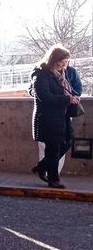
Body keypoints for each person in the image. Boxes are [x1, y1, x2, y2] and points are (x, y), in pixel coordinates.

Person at [30, 45, 81, 188]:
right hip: (48, 118)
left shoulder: (60, 75)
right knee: (53, 147)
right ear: (54, 60)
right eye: (62, 62)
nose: (65, 65)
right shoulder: (41, 74)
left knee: (67, 142)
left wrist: (71, 97)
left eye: (66, 62)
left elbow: (69, 90)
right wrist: (67, 99)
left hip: (61, 115)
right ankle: (53, 179)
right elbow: (44, 96)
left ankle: (42, 166)